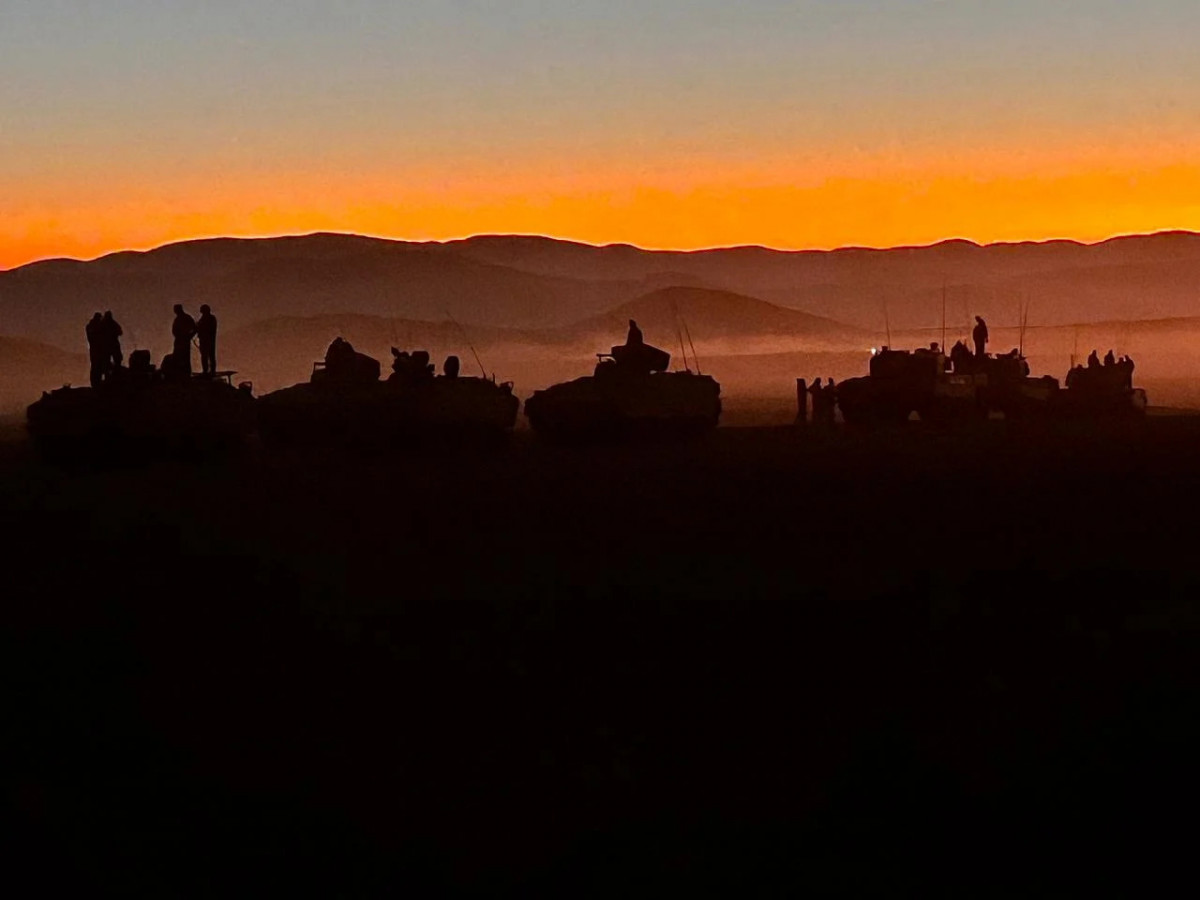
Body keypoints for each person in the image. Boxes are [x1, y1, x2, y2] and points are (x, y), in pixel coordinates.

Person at [171, 304, 197, 375]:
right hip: (179, 340)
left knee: (185, 357)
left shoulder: (187, 318)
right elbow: (174, 330)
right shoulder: (178, 319)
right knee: (178, 356)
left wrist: (189, 336)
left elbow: (194, 328)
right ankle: (180, 372)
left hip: (184, 341)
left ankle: (186, 373)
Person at [85, 312, 106, 387]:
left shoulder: (90, 326)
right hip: (98, 350)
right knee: (98, 366)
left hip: (94, 350)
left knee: (95, 366)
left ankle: (95, 383)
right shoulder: (97, 327)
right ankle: (97, 384)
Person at [197, 304, 217, 376]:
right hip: (206, 340)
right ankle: (208, 370)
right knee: (207, 356)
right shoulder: (207, 319)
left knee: (208, 356)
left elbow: (210, 329)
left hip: (208, 340)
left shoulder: (209, 319)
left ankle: (209, 371)